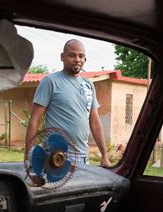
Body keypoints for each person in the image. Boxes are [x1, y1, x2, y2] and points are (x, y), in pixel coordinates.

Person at [24, 39, 111, 167]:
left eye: (81, 56)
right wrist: (28, 155)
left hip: (82, 157)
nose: (77, 59)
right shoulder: (50, 82)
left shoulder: (88, 85)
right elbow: (34, 120)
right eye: (72, 55)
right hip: (56, 157)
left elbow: (95, 122)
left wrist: (104, 155)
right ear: (62, 57)